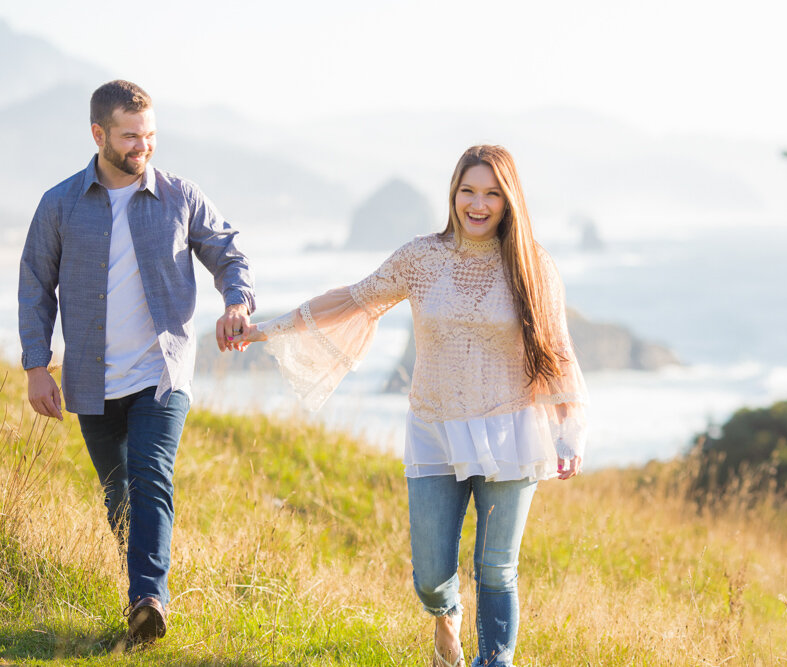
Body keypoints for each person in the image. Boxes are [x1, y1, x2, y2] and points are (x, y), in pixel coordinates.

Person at [232, 144, 587, 667]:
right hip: (434, 428)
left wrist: (568, 430)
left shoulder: (534, 266)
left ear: (510, 200)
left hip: (509, 428)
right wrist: (267, 329)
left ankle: (496, 662)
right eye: (468, 191)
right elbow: (356, 298)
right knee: (429, 573)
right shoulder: (421, 258)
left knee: (496, 569)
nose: (478, 204)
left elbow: (555, 348)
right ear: (453, 194)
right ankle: (446, 616)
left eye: (492, 193)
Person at [18, 79, 255, 645]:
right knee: (118, 496)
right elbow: (34, 287)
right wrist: (34, 366)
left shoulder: (180, 196)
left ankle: (148, 600)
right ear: (99, 134)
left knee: (152, 477)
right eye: (130, 136)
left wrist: (237, 300)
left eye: (149, 135)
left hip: (162, 374)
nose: (142, 146)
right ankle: (143, 592)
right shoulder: (59, 204)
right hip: (91, 381)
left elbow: (228, 250)